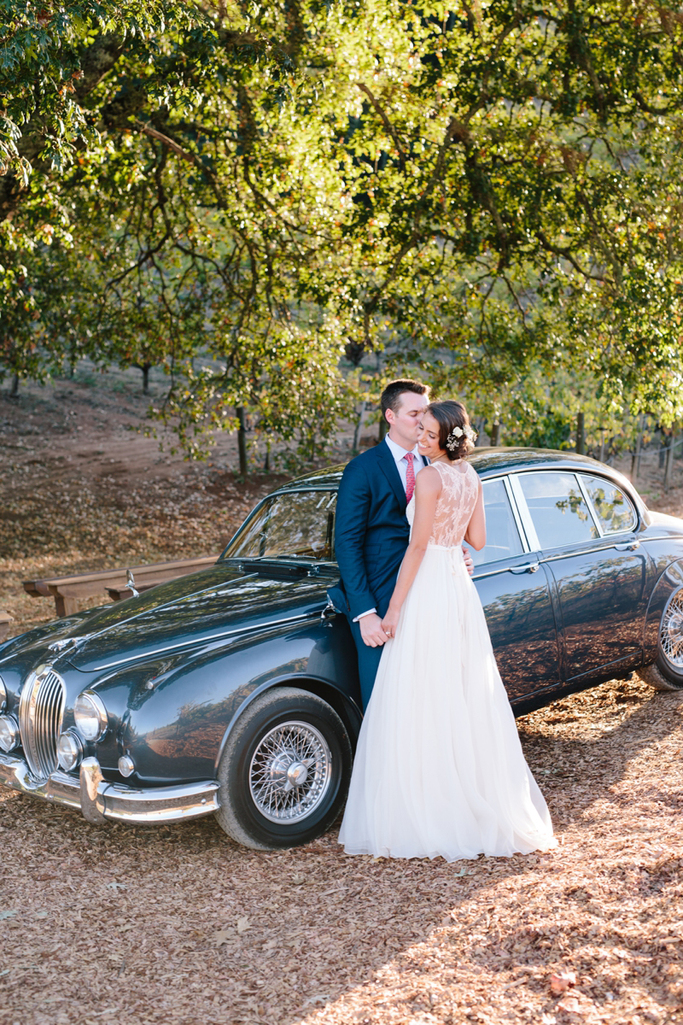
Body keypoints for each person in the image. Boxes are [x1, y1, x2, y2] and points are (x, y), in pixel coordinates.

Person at [339, 400, 556, 861]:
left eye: (430, 432)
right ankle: (460, 792)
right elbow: (476, 540)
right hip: (456, 587)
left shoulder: (432, 476)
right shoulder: (471, 476)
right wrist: (451, 540)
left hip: (425, 586)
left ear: (445, 438)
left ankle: (425, 803)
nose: (422, 435)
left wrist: (394, 609)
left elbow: (416, 548)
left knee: (416, 690)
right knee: (458, 689)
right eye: (420, 427)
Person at [331, 380, 473, 710]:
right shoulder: (362, 469)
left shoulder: (438, 464)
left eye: (426, 413)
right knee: (384, 697)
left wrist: (456, 554)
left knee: (427, 691)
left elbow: (441, 527)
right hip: (379, 596)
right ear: (390, 416)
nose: (423, 421)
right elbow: (347, 543)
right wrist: (364, 612)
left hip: (430, 590)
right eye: (414, 413)